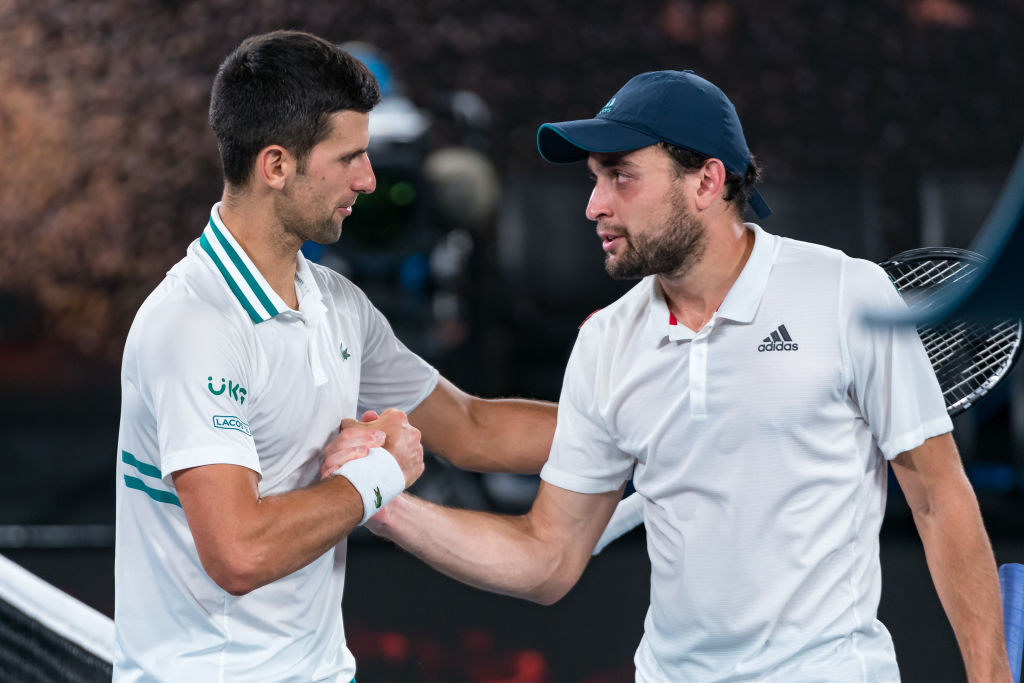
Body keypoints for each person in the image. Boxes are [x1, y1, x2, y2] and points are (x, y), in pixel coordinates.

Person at [329, 70, 1012, 681]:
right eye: (594, 177)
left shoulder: (845, 293)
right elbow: (545, 558)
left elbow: (939, 500)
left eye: (621, 175)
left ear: (707, 182)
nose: (595, 204)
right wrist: (384, 505)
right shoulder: (607, 342)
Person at [112, 30, 555, 681]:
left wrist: (644, 423)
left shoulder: (336, 304)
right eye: (348, 158)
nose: (369, 180)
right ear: (276, 165)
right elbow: (238, 551)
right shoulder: (193, 324)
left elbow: (473, 429)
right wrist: (380, 475)